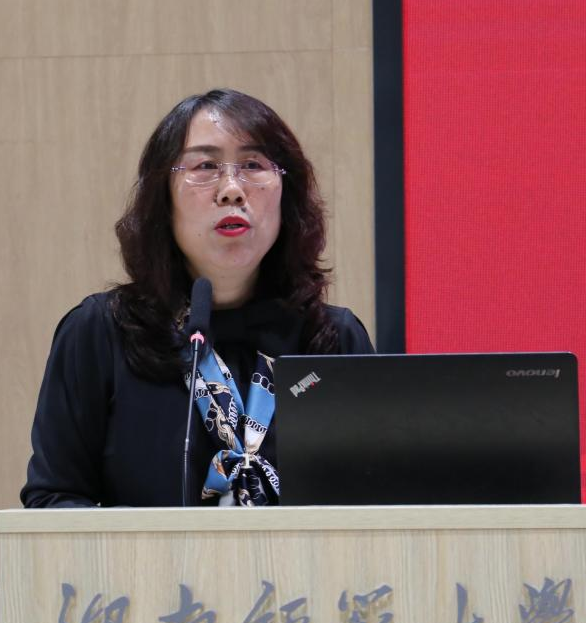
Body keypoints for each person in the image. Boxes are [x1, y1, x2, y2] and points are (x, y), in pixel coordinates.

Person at [20, 89, 373, 508]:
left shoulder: (331, 338)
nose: (231, 190)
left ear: (286, 193)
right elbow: (54, 499)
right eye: (205, 166)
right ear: (162, 198)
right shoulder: (100, 334)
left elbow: (375, 506)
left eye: (253, 165)